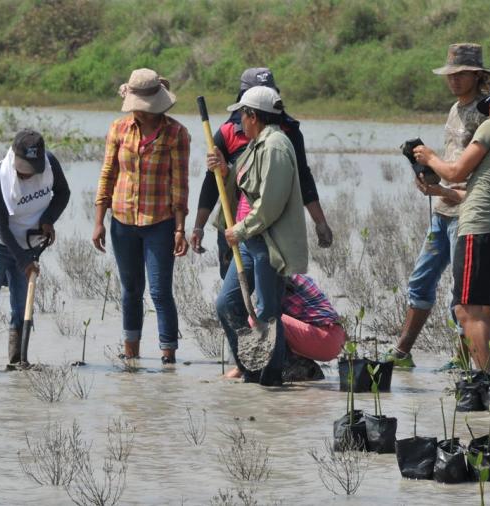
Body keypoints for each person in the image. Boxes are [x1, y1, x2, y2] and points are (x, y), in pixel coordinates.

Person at [413, 77, 490, 373]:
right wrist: (443, 193)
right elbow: (481, 191)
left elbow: (455, 171)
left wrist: (429, 157)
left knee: (467, 311)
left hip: (479, 229)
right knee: (486, 314)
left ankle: (486, 380)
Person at [384, 43, 490, 369]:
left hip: (467, 211)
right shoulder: (454, 109)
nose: (455, 80)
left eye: (462, 74)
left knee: (463, 295)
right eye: (451, 75)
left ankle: (464, 360)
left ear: (477, 75)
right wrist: (430, 179)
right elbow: (450, 159)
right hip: (443, 209)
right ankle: (402, 353)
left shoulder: (484, 114)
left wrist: (446, 186)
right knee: (420, 281)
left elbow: (478, 168)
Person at [191, 68, 333, 279]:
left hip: (273, 229)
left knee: (272, 297)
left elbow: (303, 177)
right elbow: (212, 182)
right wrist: (198, 227)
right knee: (235, 296)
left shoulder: (286, 134)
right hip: (235, 224)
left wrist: (320, 222)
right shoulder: (228, 132)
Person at [92, 68, 189, 364]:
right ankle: (131, 353)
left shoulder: (176, 133)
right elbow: (108, 174)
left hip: (159, 224)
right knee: (131, 290)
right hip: (122, 222)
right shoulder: (119, 129)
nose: (142, 113)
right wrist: (98, 221)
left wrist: (179, 229)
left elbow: (179, 184)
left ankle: (168, 355)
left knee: (160, 292)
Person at [214, 86, 309, 386]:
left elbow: (271, 203)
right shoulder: (256, 145)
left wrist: (239, 230)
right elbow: (244, 184)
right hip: (248, 242)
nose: (239, 121)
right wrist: (223, 168)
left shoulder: (276, 146)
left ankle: (270, 377)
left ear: (253, 116)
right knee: (227, 304)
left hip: (268, 244)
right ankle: (250, 366)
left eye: (242, 114)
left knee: (268, 313)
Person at [0, 129, 70, 368]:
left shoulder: (51, 165)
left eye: (32, 168)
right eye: (23, 168)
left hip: (27, 242)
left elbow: (63, 193)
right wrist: (24, 261)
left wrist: (48, 220)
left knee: (22, 305)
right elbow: (0, 226)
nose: (27, 175)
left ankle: (17, 362)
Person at [224, 274, 346, 380]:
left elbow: (266, 318)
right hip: (334, 337)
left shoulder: (279, 280)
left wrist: (241, 369)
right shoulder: (292, 274)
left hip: (325, 337)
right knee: (268, 320)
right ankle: (299, 365)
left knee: (257, 317)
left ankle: (293, 366)